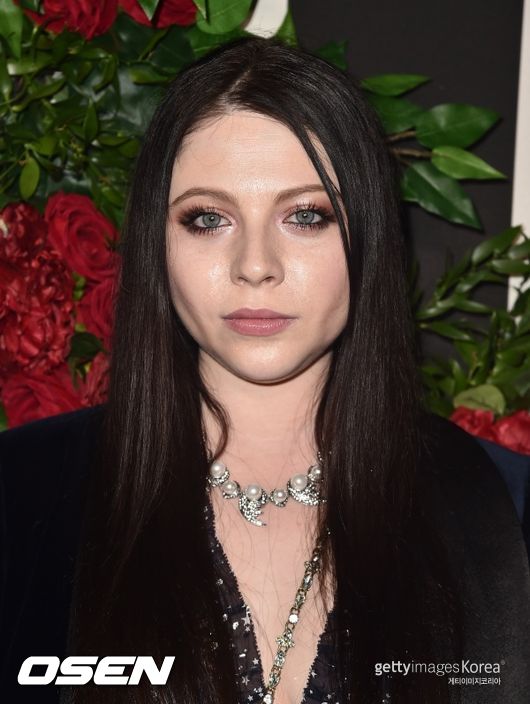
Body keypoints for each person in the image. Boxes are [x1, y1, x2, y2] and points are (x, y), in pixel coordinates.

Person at [1, 35, 529, 704]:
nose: (255, 265)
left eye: (306, 216)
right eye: (208, 218)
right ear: (157, 241)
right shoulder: (19, 494)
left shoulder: (504, 510)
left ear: (369, 234)